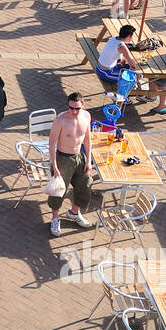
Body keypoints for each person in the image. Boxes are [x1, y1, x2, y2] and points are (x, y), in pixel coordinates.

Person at [46, 92, 95, 237]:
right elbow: (51, 144)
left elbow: (87, 139)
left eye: (77, 108)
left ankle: (74, 212)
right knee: (58, 190)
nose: (73, 111)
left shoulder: (86, 116)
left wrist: (88, 160)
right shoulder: (60, 120)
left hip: (79, 156)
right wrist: (54, 166)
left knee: (85, 185)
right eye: (71, 108)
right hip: (63, 158)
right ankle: (55, 218)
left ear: (83, 105)